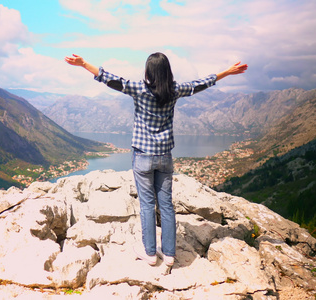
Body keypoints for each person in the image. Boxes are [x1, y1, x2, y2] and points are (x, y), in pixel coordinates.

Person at [65, 53, 247, 266]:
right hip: (164, 157)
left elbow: (110, 79)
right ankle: (169, 254)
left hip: (142, 156)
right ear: (167, 71)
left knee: (147, 205)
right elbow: (200, 84)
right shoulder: (175, 90)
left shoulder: (140, 90)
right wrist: (227, 71)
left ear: (148, 72)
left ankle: (150, 253)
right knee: (167, 205)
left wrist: (84, 64)